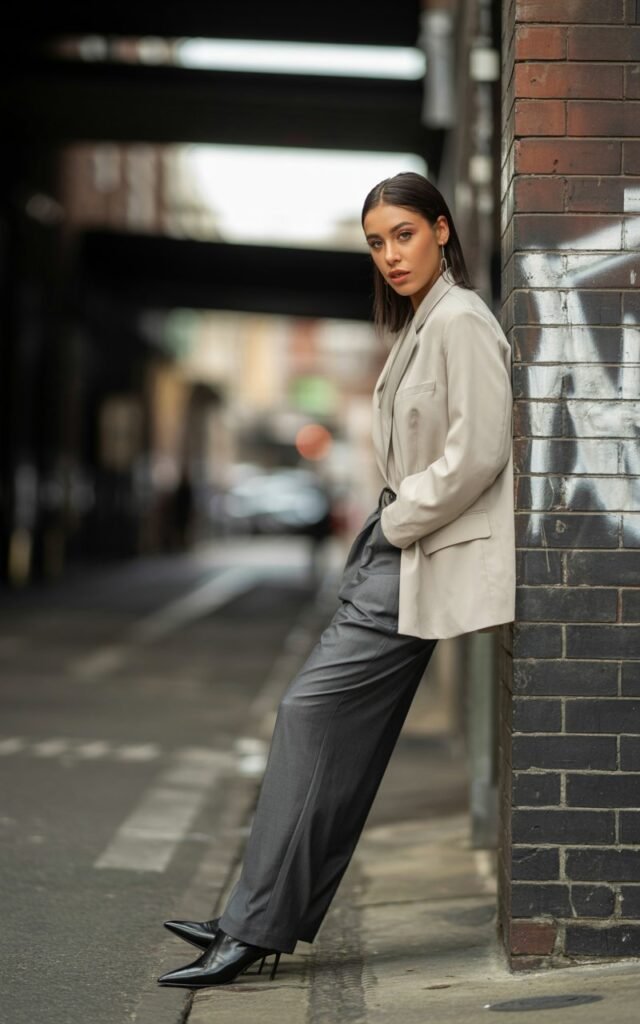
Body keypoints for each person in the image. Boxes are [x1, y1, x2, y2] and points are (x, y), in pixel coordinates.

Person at [157, 171, 515, 989]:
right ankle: (257, 915)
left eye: (404, 235)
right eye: (376, 242)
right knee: (324, 735)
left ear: (443, 230)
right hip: (396, 549)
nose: (390, 255)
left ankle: (253, 925)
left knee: (308, 716)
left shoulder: (461, 320)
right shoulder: (423, 322)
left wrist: (393, 522)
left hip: (417, 549)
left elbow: (482, 448)